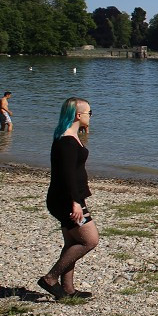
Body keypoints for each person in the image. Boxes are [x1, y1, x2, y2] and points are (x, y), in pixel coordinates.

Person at [38, 97, 98, 300]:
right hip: (67, 200)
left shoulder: (70, 136)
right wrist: (75, 202)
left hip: (67, 198)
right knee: (90, 240)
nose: (91, 116)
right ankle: (51, 278)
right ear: (78, 115)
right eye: (89, 113)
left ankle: (68, 289)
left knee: (72, 241)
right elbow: (67, 175)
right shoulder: (66, 141)